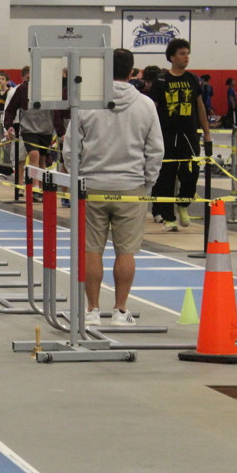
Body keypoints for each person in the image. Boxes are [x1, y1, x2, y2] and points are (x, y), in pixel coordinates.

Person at [64, 49, 164, 327]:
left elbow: (70, 148)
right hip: (131, 187)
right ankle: (120, 311)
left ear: (104, 69)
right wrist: (147, 183)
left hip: (92, 187)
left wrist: (77, 179)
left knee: (92, 250)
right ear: (132, 72)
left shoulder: (86, 102)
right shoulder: (146, 104)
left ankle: (92, 310)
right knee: (126, 251)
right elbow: (156, 150)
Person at [149, 38, 211, 231]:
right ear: (172, 57)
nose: (186, 57)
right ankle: (168, 218)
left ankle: (183, 204)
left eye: (187, 53)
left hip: (189, 134)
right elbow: (152, 110)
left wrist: (207, 133)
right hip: (166, 135)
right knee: (166, 177)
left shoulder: (192, 79)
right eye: (182, 54)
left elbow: (200, 107)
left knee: (191, 173)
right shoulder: (161, 81)